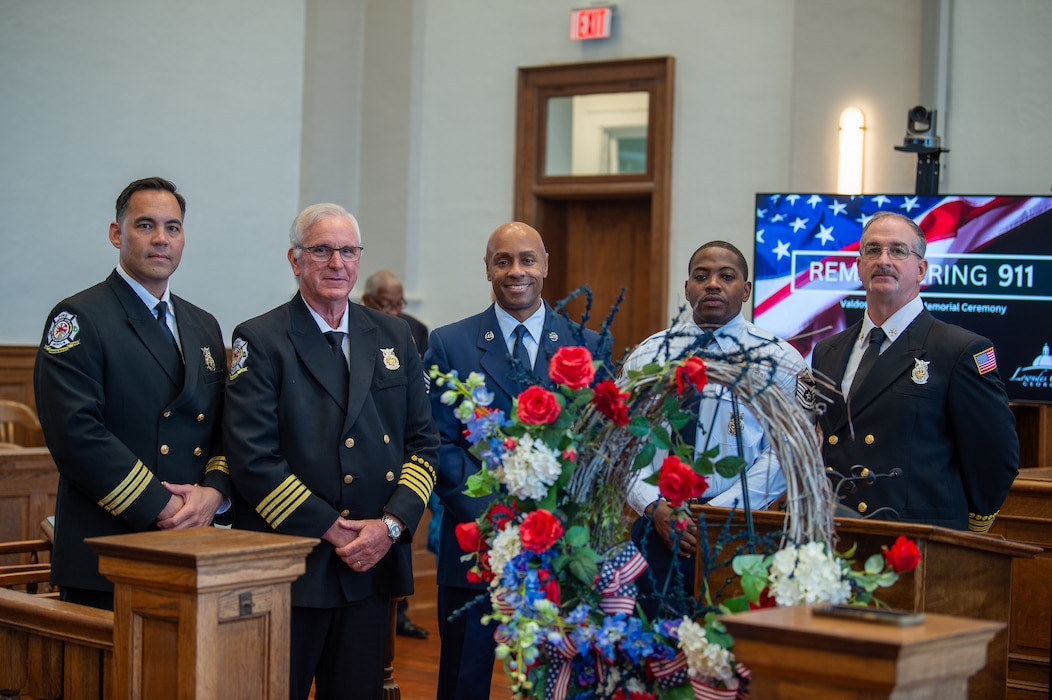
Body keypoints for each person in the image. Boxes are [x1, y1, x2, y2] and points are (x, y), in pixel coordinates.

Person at [223, 204, 439, 700]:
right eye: (321, 250)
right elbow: (251, 457)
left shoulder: (392, 336)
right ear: (295, 260)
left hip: (372, 563)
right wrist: (333, 527)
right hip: (294, 565)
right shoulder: (259, 339)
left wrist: (389, 528)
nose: (336, 262)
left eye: (347, 251)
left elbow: (423, 443)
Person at [33, 176, 230, 611]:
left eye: (173, 228)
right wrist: (162, 506)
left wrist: (212, 494)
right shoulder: (80, 317)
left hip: (193, 539)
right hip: (111, 547)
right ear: (116, 233)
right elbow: (77, 435)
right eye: (145, 225)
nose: (161, 239)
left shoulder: (204, 324)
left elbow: (223, 427)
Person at [424, 221, 600, 700]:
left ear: (545, 265)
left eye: (526, 259)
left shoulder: (588, 345)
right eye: (503, 261)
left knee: (561, 680)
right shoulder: (449, 344)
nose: (515, 271)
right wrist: (494, 520)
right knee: (464, 678)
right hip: (476, 545)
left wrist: (554, 517)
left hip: (559, 548)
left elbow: (596, 446)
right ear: (487, 269)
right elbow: (436, 443)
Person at [622, 241, 805, 616]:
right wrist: (653, 506)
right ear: (687, 288)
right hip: (657, 527)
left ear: (746, 289)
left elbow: (785, 456)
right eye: (701, 276)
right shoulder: (649, 356)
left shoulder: (780, 359)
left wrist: (715, 514)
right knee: (653, 654)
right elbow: (623, 445)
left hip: (738, 531)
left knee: (728, 655)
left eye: (727, 276)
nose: (713, 285)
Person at [809, 211, 1018, 532]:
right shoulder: (827, 351)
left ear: (921, 269)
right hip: (839, 531)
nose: (884, 260)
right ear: (858, 265)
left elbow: (995, 455)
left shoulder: (959, 350)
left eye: (898, 250)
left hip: (918, 538)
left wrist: (972, 525)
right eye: (872, 250)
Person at [361, 268, 432, 640]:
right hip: (369, 448)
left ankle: (400, 611)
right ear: (368, 301)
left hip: (405, 447)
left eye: (399, 303)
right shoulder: (358, 328)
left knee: (399, 532)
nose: (395, 311)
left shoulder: (414, 330)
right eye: (387, 304)